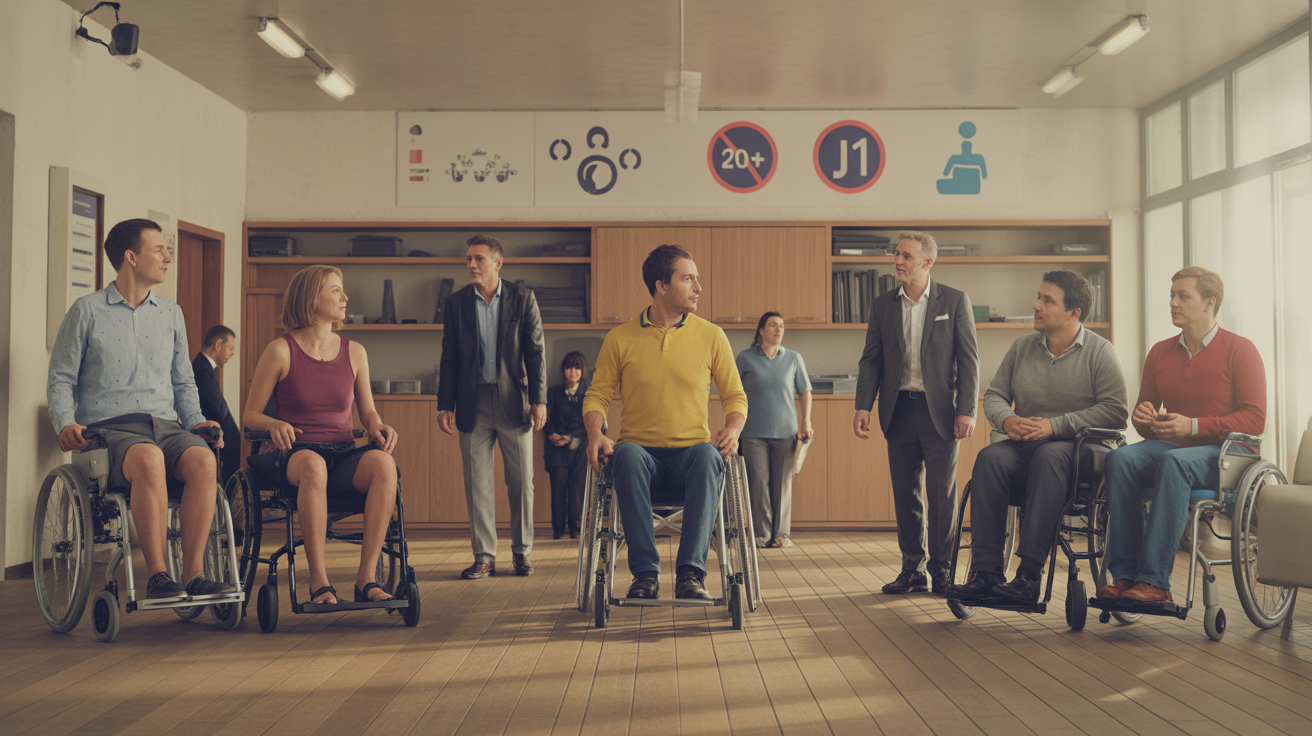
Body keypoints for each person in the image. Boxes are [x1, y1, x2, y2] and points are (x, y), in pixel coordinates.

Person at [47, 218, 234, 601]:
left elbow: (184, 382)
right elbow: (61, 378)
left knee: (204, 462)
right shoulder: (87, 311)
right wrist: (65, 421)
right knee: (147, 458)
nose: (168, 257)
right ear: (131, 257)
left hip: (166, 426)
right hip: (109, 431)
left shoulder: (171, 314)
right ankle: (159, 575)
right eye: (160, 249)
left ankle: (195, 573)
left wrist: (196, 422)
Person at [946, 271, 1128, 602]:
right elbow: (995, 395)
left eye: (1048, 300)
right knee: (989, 458)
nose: (1036, 305)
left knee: (1051, 455)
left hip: (1082, 452)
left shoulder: (1100, 352)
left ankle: (1029, 575)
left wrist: (1055, 425)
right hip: (1028, 446)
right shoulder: (1022, 347)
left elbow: (1116, 411)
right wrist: (1008, 419)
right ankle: (986, 572)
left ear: (1073, 313)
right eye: (1039, 297)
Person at [583, 244, 748, 600]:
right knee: (624, 454)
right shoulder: (620, 338)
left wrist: (733, 428)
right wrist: (596, 433)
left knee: (708, 455)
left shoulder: (712, 336)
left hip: (691, 457)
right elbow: (597, 395)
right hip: (640, 459)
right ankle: (645, 575)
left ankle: (691, 574)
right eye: (688, 279)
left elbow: (735, 395)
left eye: (697, 279)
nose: (698, 288)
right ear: (661, 285)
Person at [1099, 267, 1266, 604]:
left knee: (1174, 461)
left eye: (1182, 296)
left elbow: (1255, 419)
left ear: (1209, 303)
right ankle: (1126, 575)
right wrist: (1143, 418)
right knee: (1119, 458)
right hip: (1172, 447)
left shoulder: (1240, 349)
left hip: (1228, 454)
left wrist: (1193, 426)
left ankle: (1155, 581)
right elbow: (1146, 422)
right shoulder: (1160, 352)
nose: (1173, 302)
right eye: (1171, 295)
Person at [243, 265, 400, 605]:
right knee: (313, 465)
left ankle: (366, 579)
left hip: (343, 453)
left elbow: (368, 411)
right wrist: (273, 424)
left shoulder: (355, 351)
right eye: (335, 290)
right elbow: (249, 415)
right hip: (296, 455)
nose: (345, 297)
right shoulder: (280, 350)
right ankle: (319, 582)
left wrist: (376, 424)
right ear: (311, 299)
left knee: (385, 465)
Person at [854, 231, 979, 596]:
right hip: (898, 410)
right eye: (897, 254)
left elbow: (969, 361)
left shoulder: (954, 301)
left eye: (906, 256)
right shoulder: (882, 305)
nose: (898, 261)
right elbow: (871, 360)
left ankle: (942, 571)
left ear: (927, 262)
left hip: (939, 411)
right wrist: (864, 404)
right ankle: (913, 570)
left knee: (941, 495)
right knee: (906, 495)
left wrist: (967, 409)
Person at [438, 235, 547, 579]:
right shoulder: (455, 304)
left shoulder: (522, 299)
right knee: (477, 484)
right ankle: (483, 555)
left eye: (479, 259)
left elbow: (536, 353)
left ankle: (521, 552)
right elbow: (449, 357)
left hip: (515, 403)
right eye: (468, 259)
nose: (471, 265)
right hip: (472, 404)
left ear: (498, 264)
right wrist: (445, 404)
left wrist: (540, 400)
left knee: (520, 482)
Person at [736, 311, 813, 549]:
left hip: (786, 432)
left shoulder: (794, 358)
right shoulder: (745, 358)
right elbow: (732, 393)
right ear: (761, 330)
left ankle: (781, 534)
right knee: (758, 483)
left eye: (781, 325)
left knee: (782, 484)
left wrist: (806, 421)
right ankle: (761, 535)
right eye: (773, 325)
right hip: (752, 434)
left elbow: (805, 391)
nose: (778, 329)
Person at [544, 351, 590, 540]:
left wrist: (571, 437)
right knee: (558, 487)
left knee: (577, 487)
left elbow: (592, 422)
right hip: (556, 447)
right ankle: (558, 530)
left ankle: (576, 529)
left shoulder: (589, 392)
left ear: (583, 371)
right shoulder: (553, 392)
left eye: (577, 367)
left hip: (580, 448)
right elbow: (545, 418)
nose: (573, 371)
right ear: (564, 371)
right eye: (569, 367)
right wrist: (554, 436)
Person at [193, 324, 240, 486]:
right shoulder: (201, 369)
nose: (232, 353)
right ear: (218, 344)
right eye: (230, 348)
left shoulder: (204, 368)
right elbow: (217, 409)